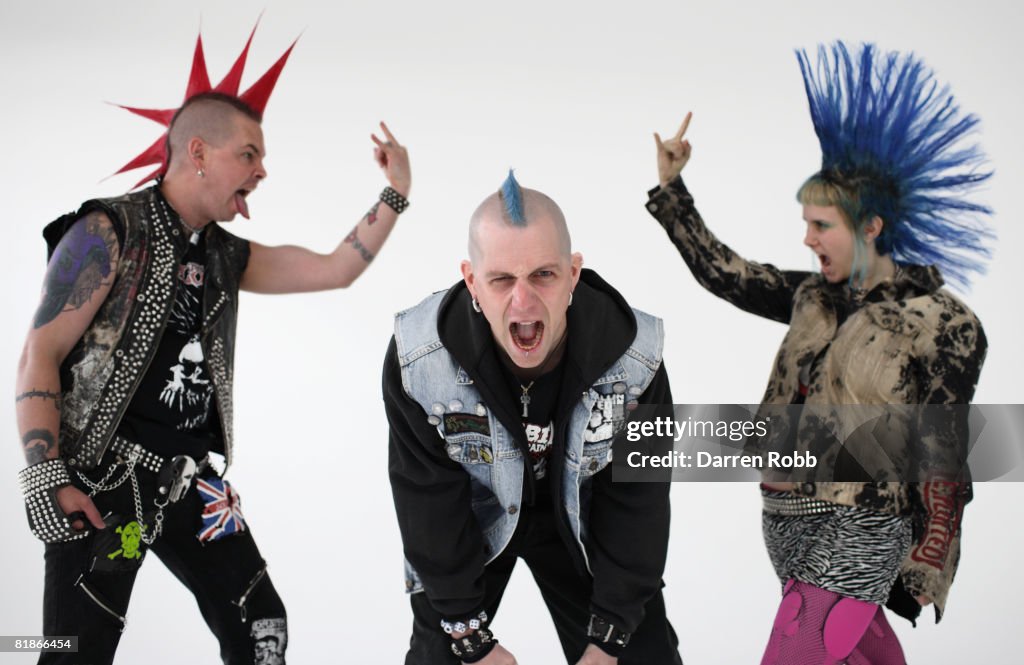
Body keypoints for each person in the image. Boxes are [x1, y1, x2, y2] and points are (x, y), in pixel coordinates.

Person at [14, 26, 411, 665]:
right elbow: (41, 352)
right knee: (71, 651)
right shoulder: (106, 231)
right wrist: (44, 473)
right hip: (103, 481)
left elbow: (336, 269)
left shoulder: (227, 256)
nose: (262, 170)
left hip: (191, 486)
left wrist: (395, 193)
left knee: (262, 628)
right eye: (249, 154)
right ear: (198, 151)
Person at [647, 43, 992, 663]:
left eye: (821, 225)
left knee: (796, 651)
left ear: (871, 227)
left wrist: (928, 560)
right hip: (785, 517)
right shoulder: (813, 295)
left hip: (864, 524)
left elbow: (945, 453)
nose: (806, 238)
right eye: (806, 223)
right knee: (861, 656)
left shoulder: (943, 324)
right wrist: (673, 189)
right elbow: (727, 274)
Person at [384, 171, 683, 664]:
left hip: (584, 524)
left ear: (573, 273)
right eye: (502, 279)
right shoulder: (420, 361)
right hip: (474, 522)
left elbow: (639, 500)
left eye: (544, 275)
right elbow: (427, 505)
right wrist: (471, 640)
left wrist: (610, 638)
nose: (523, 302)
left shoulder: (635, 359)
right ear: (472, 281)